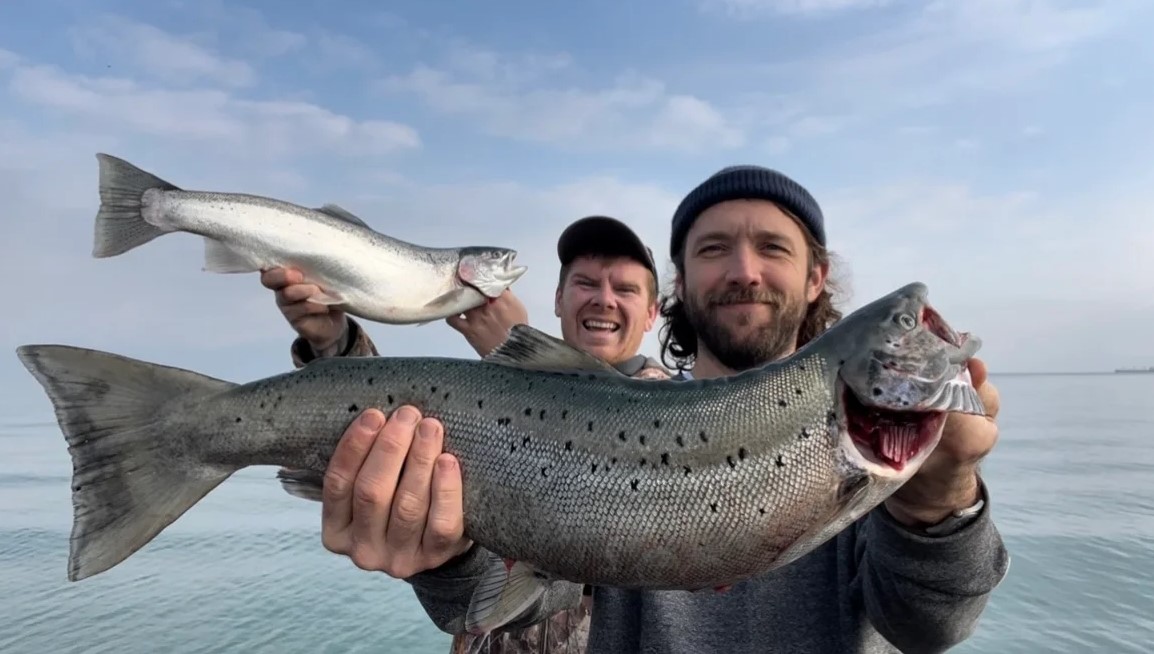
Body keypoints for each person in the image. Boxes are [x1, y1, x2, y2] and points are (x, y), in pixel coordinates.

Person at [267, 168, 1010, 654]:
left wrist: (942, 502)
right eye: (714, 248)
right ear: (682, 283)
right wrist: (442, 559)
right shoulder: (605, 424)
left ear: (817, 277)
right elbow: (505, 607)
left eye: (772, 248)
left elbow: (930, 625)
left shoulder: (871, 447)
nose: (745, 270)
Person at [261, 214, 670, 652]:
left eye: (625, 289)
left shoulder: (679, 426)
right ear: (558, 299)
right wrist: (335, 344)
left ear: (651, 314)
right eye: (585, 283)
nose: (603, 299)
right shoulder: (488, 402)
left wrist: (513, 350)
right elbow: (401, 421)